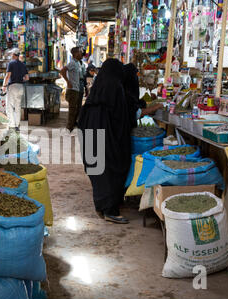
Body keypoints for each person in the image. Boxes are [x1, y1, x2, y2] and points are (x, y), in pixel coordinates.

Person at [78, 59, 162, 224]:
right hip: (108, 141)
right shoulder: (115, 88)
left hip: (90, 138)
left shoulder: (96, 95)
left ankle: (102, 206)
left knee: (97, 171)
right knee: (111, 171)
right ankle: (109, 210)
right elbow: (124, 115)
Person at [2, 48, 29, 130]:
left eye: (11, 54)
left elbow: (7, 76)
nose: (11, 56)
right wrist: (20, 79)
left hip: (12, 86)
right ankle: (17, 125)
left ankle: (12, 125)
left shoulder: (11, 64)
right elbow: (27, 78)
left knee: (9, 106)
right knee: (18, 106)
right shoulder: (23, 64)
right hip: (20, 87)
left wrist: (4, 86)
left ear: (14, 55)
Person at [60, 47, 83, 133]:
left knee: (76, 109)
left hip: (76, 89)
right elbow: (62, 71)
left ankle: (73, 125)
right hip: (72, 90)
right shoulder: (72, 63)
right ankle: (69, 128)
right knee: (72, 110)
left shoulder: (77, 63)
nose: (81, 54)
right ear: (75, 54)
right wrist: (68, 82)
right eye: (80, 52)